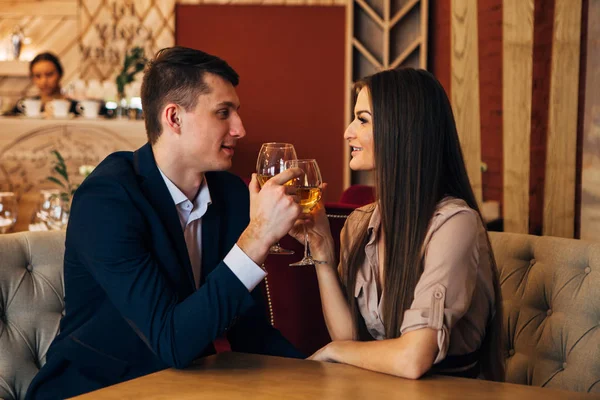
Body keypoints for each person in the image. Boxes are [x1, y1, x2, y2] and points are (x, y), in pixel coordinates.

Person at [26, 46, 305, 399]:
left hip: (184, 386)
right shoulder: (108, 199)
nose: (241, 129)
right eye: (223, 113)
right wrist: (257, 238)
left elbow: (248, 331)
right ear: (174, 118)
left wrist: (315, 372)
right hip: (96, 388)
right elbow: (170, 341)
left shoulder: (230, 192)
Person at [291, 68, 504, 381]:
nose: (348, 131)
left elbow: (413, 359)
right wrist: (322, 251)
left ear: (401, 130)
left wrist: (333, 351)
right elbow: (350, 336)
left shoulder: (455, 223)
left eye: (362, 119)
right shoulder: (360, 222)